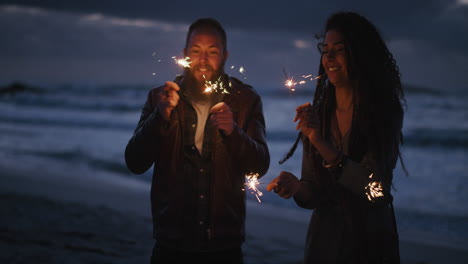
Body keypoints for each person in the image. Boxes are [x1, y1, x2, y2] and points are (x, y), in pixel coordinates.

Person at [125, 18, 269, 263]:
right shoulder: (161, 98)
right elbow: (135, 162)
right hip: (171, 241)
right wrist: (159, 117)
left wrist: (234, 133)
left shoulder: (245, 100)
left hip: (225, 244)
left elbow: (259, 166)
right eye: (196, 51)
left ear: (224, 55)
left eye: (212, 52)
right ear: (185, 54)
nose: (203, 60)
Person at [267, 12, 406, 264]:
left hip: (371, 245)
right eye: (325, 49)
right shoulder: (318, 114)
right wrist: (297, 186)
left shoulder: (383, 112)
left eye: (339, 50)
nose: (328, 58)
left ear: (359, 54)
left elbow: (375, 192)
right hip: (325, 245)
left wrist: (321, 143)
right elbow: (315, 193)